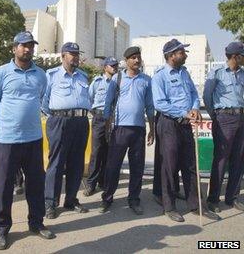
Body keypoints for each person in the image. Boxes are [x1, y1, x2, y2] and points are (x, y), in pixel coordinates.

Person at [0, 31, 55, 250]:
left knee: (36, 183)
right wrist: (7, 124)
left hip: (33, 138)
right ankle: (1, 227)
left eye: (31, 46)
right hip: (7, 139)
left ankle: (36, 223)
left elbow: (42, 98)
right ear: (14, 48)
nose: (28, 49)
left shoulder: (40, 75)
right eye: (23, 46)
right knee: (4, 185)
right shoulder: (2, 72)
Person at [152, 38, 220, 222]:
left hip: (185, 124)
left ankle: (197, 205)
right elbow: (159, 104)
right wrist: (184, 112)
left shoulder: (185, 73)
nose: (185, 55)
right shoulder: (160, 76)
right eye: (182, 52)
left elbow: (193, 94)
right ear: (171, 55)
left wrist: (196, 108)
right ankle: (169, 206)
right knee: (170, 165)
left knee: (191, 164)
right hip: (168, 124)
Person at [99, 46, 155, 215]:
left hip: (138, 129)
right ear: (127, 60)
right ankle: (107, 198)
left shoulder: (146, 80)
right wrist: (108, 125)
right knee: (113, 166)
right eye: (133, 58)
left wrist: (151, 128)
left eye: (139, 57)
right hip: (119, 129)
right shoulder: (117, 78)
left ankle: (134, 199)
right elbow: (108, 103)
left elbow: (150, 106)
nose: (137, 60)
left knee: (137, 167)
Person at [41, 42, 90, 219]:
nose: (76, 57)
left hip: (81, 122)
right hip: (60, 121)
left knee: (76, 162)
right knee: (56, 162)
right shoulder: (51, 75)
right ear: (63, 56)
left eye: (77, 54)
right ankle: (50, 202)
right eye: (72, 54)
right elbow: (43, 100)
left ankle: (70, 200)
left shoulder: (83, 76)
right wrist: (56, 116)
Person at [203, 41, 244, 213]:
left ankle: (231, 197)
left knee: (238, 159)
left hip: (241, 117)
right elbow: (207, 97)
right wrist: (216, 116)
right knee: (220, 159)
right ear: (235, 56)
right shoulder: (217, 73)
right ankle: (213, 199)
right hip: (224, 118)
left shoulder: (243, 74)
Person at [83, 56, 118, 196]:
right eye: (111, 66)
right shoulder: (97, 82)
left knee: (109, 152)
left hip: (113, 118)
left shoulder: (118, 82)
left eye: (115, 66)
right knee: (97, 151)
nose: (114, 68)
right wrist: (97, 113)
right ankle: (91, 183)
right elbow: (89, 98)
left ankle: (103, 181)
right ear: (105, 67)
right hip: (99, 117)